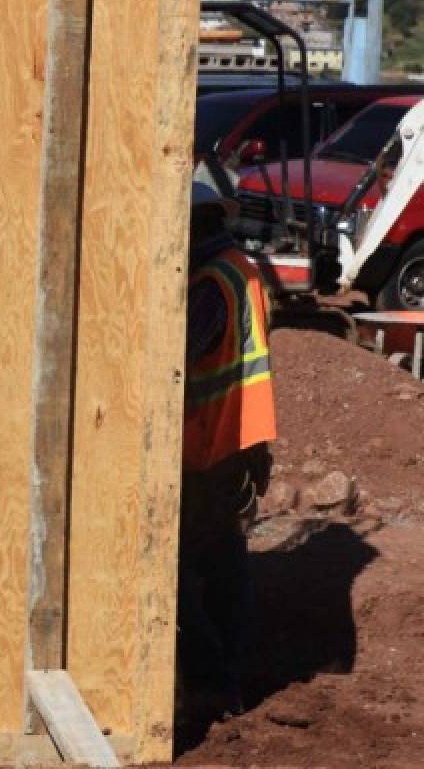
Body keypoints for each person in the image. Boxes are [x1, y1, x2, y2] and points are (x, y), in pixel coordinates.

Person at [179, 181, 277, 722]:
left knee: (181, 567)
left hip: (213, 442)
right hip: (235, 438)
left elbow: (181, 351)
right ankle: (225, 675)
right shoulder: (241, 269)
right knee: (221, 559)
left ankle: (213, 679)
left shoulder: (212, 283)